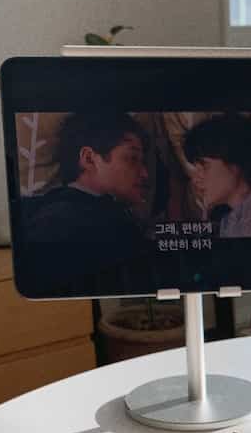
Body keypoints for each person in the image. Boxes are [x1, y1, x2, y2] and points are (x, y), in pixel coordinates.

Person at [18, 112, 152, 296]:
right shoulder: (58, 222)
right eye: (132, 158)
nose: (145, 173)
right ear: (89, 158)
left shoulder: (46, 211)